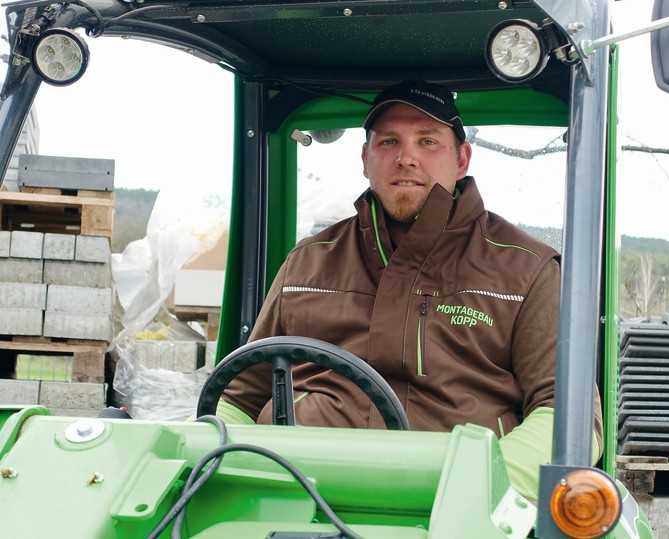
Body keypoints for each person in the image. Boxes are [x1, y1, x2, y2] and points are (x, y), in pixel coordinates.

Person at [217, 80, 602, 501]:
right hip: (298, 493)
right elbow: (239, 395)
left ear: (461, 159)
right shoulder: (307, 263)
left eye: (427, 142)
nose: (406, 158)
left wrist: (484, 489)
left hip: (454, 507)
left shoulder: (526, 271)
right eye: (388, 142)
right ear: (365, 158)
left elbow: (569, 413)